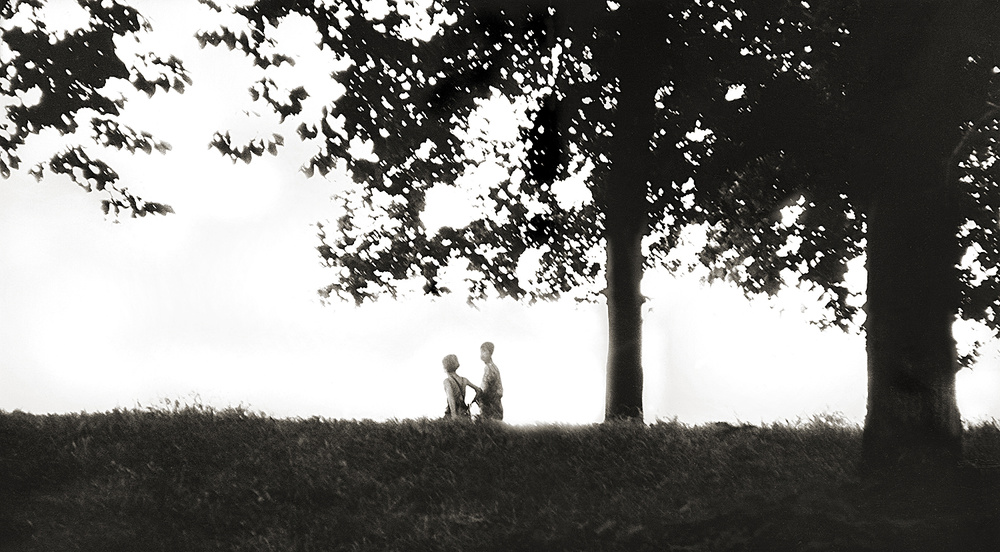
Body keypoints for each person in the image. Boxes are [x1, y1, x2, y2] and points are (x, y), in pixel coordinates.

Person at [442, 354, 481, 419]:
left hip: (452, 413)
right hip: (464, 412)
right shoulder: (464, 380)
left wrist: (454, 415)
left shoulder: (447, 381)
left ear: (446, 367)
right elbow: (479, 390)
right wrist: (473, 402)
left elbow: (450, 398)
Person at [477, 341, 504, 421]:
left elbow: (484, 388)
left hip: (490, 406)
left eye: (484, 351)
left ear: (490, 353)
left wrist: (479, 394)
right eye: (481, 352)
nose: (482, 354)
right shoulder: (493, 367)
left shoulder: (489, 368)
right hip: (495, 405)